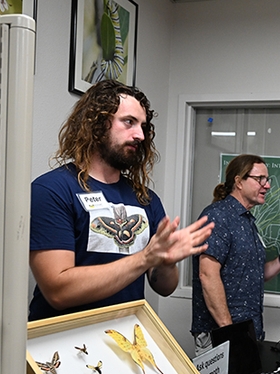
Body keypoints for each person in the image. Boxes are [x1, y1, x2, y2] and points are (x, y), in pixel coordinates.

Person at [29, 79, 213, 321]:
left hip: (124, 337)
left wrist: (167, 262)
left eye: (143, 126)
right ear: (96, 124)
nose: (139, 135)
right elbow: (58, 291)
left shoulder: (146, 199)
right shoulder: (52, 190)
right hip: (62, 343)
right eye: (129, 122)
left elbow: (164, 287)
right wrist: (146, 257)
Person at [191, 154, 280, 355]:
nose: (267, 185)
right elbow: (207, 276)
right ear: (239, 182)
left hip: (247, 333)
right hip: (221, 336)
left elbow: (255, 273)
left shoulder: (247, 221)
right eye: (260, 179)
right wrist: (231, 332)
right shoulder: (218, 216)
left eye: (267, 179)